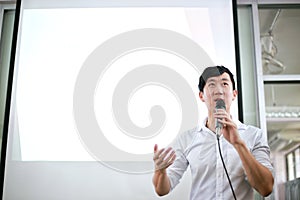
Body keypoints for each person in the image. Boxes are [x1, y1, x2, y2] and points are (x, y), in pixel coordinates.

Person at [152, 66, 274, 200]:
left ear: (234, 94)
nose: (219, 91)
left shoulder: (254, 135)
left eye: (225, 84)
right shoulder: (188, 138)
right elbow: (162, 190)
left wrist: (239, 144)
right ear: (201, 96)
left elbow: (266, 188)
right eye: (211, 85)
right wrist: (160, 171)